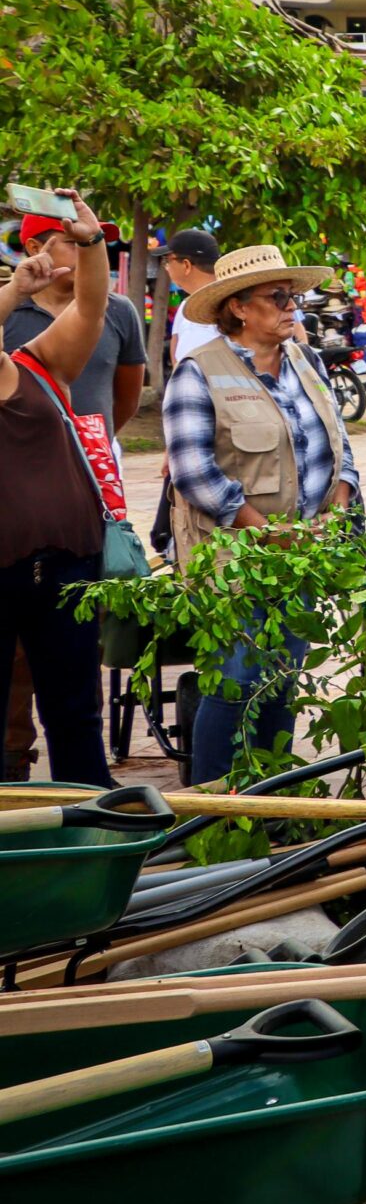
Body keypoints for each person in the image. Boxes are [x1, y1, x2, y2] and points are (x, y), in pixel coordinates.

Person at [164, 245, 362, 783]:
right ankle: (216, 815)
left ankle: (275, 807)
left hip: (300, 558)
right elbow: (193, 474)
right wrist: (269, 534)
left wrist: (338, 507)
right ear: (239, 309)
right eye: (277, 297)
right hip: (236, 564)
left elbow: (338, 443)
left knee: (280, 685)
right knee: (234, 685)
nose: (291, 305)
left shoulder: (307, 361)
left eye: (293, 295)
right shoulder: (198, 373)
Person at [0, 193, 117, 785]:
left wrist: (92, 241)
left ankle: (95, 829)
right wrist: (16, 291)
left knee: (76, 713)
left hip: (67, 566)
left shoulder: (37, 362)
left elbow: (92, 309)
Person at [4, 213, 147, 451]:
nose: (88, 252)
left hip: (94, 460)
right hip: (20, 462)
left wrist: (93, 440)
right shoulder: (7, 311)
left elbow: (127, 400)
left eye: (94, 242)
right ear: (34, 247)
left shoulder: (119, 310)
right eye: (75, 242)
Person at [157, 227, 224, 367]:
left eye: (168, 261)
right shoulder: (185, 306)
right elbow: (176, 358)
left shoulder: (230, 305)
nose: (166, 267)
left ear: (186, 265)